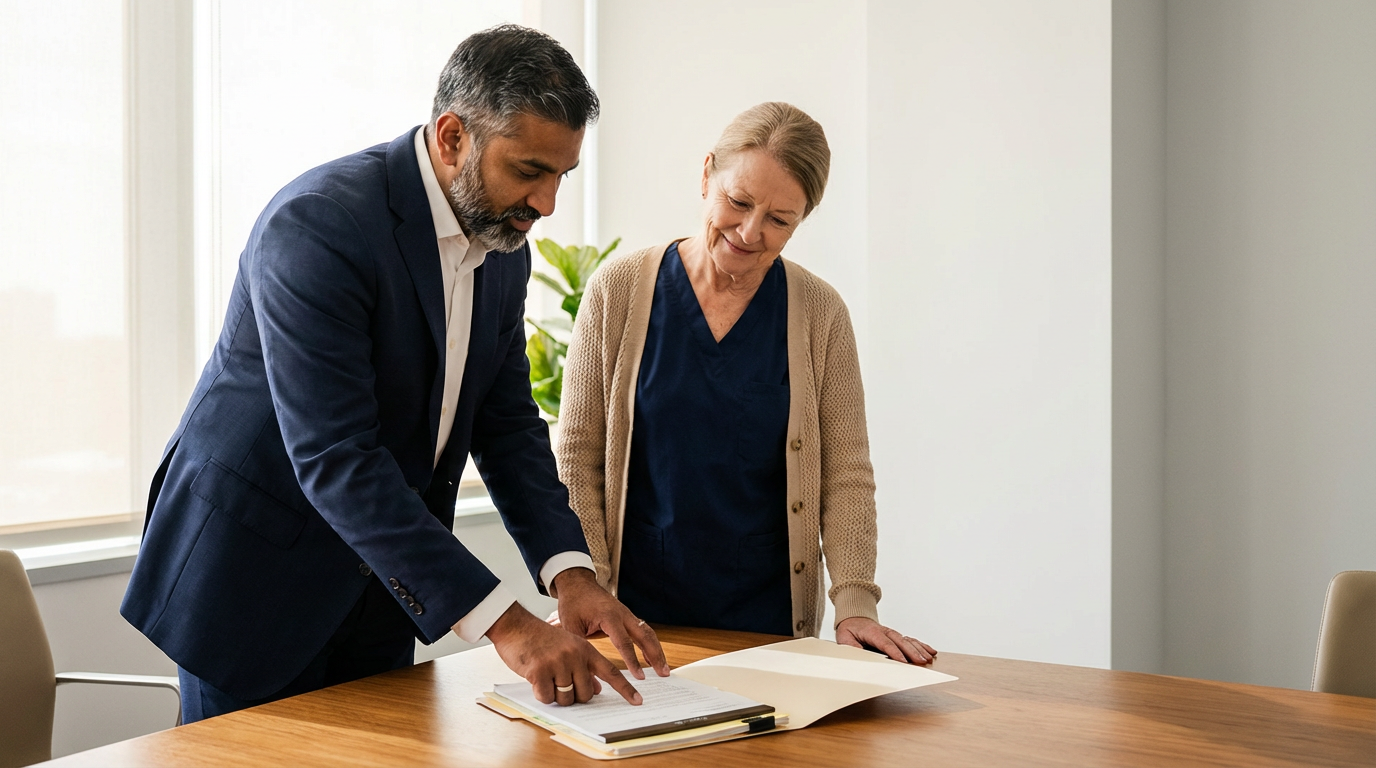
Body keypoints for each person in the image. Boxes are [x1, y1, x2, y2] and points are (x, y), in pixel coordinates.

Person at [121, 25, 666, 724]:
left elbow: (504, 427)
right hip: (250, 579)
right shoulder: (319, 226)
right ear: (451, 138)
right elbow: (336, 457)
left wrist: (572, 574)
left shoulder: (504, 246)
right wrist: (511, 627)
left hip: (379, 583)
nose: (547, 203)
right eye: (529, 170)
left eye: (561, 175)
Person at [556, 102, 936, 664]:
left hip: (769, 624)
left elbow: (846, 472)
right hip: (634, 622)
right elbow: (577, 454)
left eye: (780, 219)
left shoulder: (821, 313)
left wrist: (855, 602)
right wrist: (583, 584)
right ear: (707, 173)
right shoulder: (619, 290)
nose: (750, 232)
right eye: (738, 202)